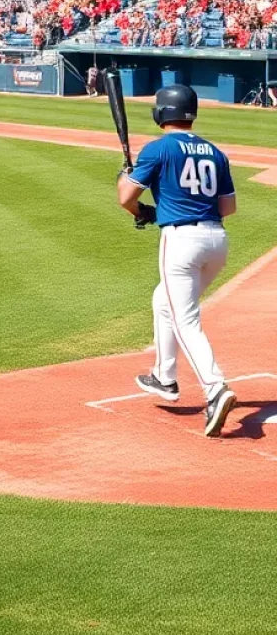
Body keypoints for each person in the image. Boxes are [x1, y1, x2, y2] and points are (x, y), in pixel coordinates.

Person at [117, 84, 238, 437]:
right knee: (163, 302)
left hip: (181, 242)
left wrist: (140, 204)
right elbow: (228, 207)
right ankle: (164, 376)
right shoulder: (215, 152)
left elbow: (126, 197)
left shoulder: (157, 149)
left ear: (160, 114)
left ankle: (215, 387)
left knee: (185, 319)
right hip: (217, 242)